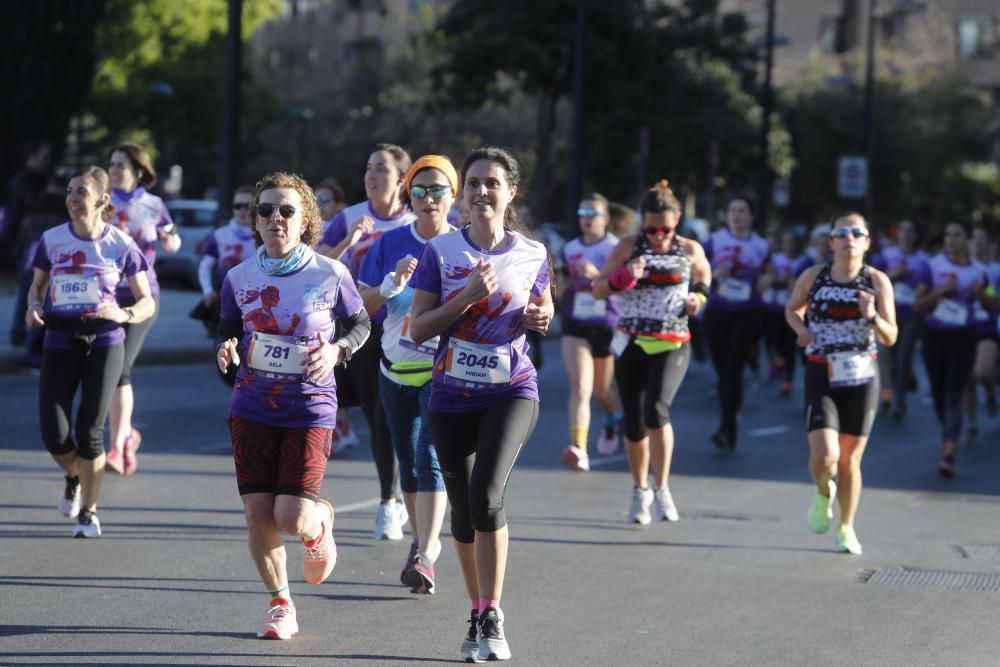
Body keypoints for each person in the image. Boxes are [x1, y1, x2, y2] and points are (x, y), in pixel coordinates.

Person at [409, 147, 552, 662]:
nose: (481, 191)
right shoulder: (441, 253)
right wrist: (466, 297)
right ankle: (475, 609)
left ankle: (493, 612)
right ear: (463, 192)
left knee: (487, 495)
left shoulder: (532, 252)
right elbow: (419, 328)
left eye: (492, 182)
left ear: (510, 191)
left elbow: (542, 305)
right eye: (473, 182)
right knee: (465, 512)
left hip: (511, 388)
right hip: (449, 395)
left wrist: (542, 317)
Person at [215, 172, 371, 639]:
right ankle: (281, 604)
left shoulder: (330, 273)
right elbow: (229, 333)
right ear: (255, 220)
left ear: (304, 221)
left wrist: (336, 351)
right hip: (252, 406)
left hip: (310, 405)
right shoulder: (238, 277)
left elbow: (361, 325)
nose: (275, 218)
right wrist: (226, 353)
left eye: (286, 211)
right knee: (258, 514)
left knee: (291, 517)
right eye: (265, 210)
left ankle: (319, 523)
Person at [26, 166, 154, 538]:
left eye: (80, 192)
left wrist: (125, 313)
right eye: (69, 191)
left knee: (90, 432)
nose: (71, 199)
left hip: (105, 340)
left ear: (102, 200)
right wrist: (33, 307)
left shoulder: (120, 244)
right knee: (54, 432)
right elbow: (37, 288)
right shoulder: (51, 241)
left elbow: (147, 302)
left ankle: (89, 513)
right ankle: (73, 476)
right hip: (60, 338)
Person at [357, 155, 457, 595]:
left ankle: (426, 553)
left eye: (438, 190)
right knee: (409, 467)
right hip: (394, 369)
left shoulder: (464, 246)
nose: (428, 199)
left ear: (453, 195)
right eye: (420, 190)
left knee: (430, 459)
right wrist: (391, 286)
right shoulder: (389, 242)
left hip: (444, 370)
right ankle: (421, 541)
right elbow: (360, 303)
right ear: (408, 194)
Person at [593, 180, 711, 524]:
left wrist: (697, 300)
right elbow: (600, 289)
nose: (659, 236)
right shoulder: (628, 247)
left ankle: (662, 487)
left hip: (673, 341)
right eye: (652, 229)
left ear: (676, 223)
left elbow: (704, 280)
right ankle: (639, 490)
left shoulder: (689, 249)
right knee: (633, 420)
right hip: (631, 341)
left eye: (666, 229)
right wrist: (624, 277)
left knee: (656, 409)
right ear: (642, 222)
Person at [317, 143, 415, 539]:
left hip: (397, 332)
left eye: (382, 170)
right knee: (326, 406)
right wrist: (348, 242)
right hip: (351, 327)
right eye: (369, 168)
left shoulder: (415, 222)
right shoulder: (349, 217)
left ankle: (389, 501)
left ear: (402, 180)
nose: (372, 176)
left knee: (381, 415)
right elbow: (316, 267)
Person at [785, 212, 897, 555]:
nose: (849, 238)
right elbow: (792, 310)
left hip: (862, 376)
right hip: (821, 372)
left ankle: (846, 527)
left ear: (866, 242)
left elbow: (891, 336)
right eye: (841, 232)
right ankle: (823, 492)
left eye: (856, 232)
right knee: (825, 457)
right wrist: (802, 331)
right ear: (831, 241)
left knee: (849, 462)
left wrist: (872, 316)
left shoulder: (876, 282)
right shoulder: (813, 276)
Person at [105, 142, 181, 476]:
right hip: (106, 294)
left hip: (142, 295)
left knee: (120, 367)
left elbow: (171, 234)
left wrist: (170, 241)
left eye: (121, 165)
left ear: (137, 171)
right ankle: (127, 436)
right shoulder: (101, 199)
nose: (114, 171)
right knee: (111, 368)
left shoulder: (154, 205)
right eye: (111, 165)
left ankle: (117, 446)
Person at [914, 219, 995, 477]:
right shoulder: (931, 266)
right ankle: (948, 431)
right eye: (948, 235)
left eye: (957, 235)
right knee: (939, 393)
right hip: (935, 336)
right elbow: (918, 305)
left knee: (953, 393)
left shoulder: (980, 271)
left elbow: (995, 303)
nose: (951, 240)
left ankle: (949, 452)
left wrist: (981, 294)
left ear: (967, 239)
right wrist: (940, 291)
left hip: (964, 336)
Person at [701, 196, 770, 449]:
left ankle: (726, 428)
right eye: (733, 210)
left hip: (747, 312)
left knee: (733, 369)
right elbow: (696, 269)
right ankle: (731, 413)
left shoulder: (761, 245)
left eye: (742, 211)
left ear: (750, 217)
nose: (737, 215)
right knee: (721, 370)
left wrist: (768, 279)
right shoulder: (714, 241)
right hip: (717, 312)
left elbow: (769, 270)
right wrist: (715, 274)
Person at [560, 193, 622, 471]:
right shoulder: (570, 247)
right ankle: (579, 447)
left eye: (592, 215)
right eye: (582, 214)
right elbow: (561, 282)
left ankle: (611, 419)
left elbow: (625, 284)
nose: (586, 220)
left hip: (607, 322)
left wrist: (597, 275)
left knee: (602, 392)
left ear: (606, 219)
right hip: (576, 321)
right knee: (581, 386)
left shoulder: (616, 248)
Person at [868, 219, 928, 421]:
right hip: (886, 312)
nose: (906, 235)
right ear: (897, 234)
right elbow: (872, 281)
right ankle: (887, 394)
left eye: (911, 231)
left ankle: (899, 402)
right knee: (885, 356)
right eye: (903, 230)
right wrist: (894, 276)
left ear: (916, 235)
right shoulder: (886, 255)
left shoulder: (923, 260)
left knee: (902, 357)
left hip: (911, 315)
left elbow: (926, 287)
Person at [197, 185, 257, 385]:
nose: (241, 211)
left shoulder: (266, 234)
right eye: (237, 206)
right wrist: (207, 291)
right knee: (225, 358)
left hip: (258, 305)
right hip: (227, 303)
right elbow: (205, 265)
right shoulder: (220, 234)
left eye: (247, 206)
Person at [760, 231, 813, 396]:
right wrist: (775, 278)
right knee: (771, 342)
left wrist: (792, 282)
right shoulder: (775, 259)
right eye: (785, 241)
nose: (789, 245)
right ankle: (778, 364)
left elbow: (804, 285)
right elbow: (764, 279)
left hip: (794, 309)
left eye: (792, 242)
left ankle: (787, 380)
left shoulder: (806, 261)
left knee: (789, 346)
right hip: (772, 307)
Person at [963, 225, 998, 440]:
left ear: (988, 244)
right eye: (973, 239)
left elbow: (994, 300)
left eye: (982, 239)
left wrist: (983, 292)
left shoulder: (994, 270)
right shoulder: (958, 267)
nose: (977, 243)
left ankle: (991, 392)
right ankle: (972, 423)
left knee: (981, 372)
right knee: (968, 379)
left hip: (987, 327)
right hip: (963, 329)